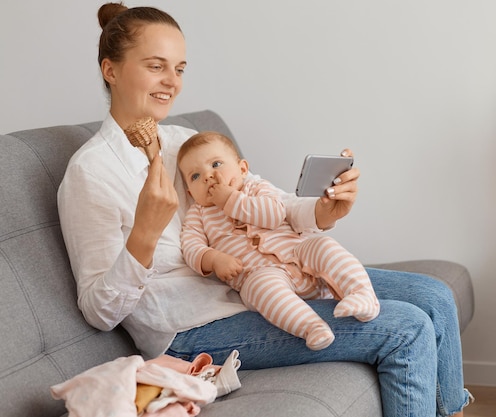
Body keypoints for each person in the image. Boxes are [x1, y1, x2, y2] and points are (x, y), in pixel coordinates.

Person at [57, 3, 471, 416]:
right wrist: (143, 235)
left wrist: (326, 210)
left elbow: (265, 203)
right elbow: (98, 311)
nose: (172, 82)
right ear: (111, 71)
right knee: (405, 327)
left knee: (434, 296)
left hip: (264, 275)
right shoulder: (90, 174)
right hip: (192, 327)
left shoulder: (185, 142)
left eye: (180, 69)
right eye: (156, 67)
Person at [177, 131, 380, 351]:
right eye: (195, 176)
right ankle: (311, 327)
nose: (208, 176)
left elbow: (274, 214)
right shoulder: (198, 214)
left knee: (324, 245)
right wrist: (213, 259)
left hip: (299, 253)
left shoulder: (256, 188)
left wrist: (230, 199)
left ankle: (362, 295)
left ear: (243, 169)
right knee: (259, 288)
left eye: (216, 164)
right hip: (260, 274)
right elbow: (191, 246)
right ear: (190, 192)